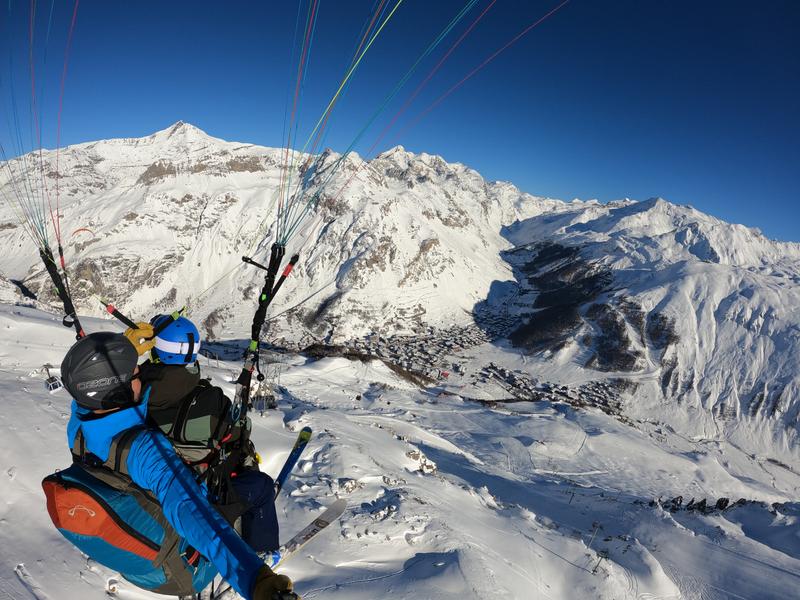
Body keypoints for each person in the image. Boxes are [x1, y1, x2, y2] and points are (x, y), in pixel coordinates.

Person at [61, 331, 296, 600]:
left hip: (136, 558)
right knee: (260, 486)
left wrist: (108, 354)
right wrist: (257, 581)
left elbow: (89, 387)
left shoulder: (78, 426)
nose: (142, 377)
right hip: (181, 570)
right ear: (118, 391)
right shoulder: (146, 451)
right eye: (136, 375)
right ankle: (260, 557)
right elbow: (197, 517)